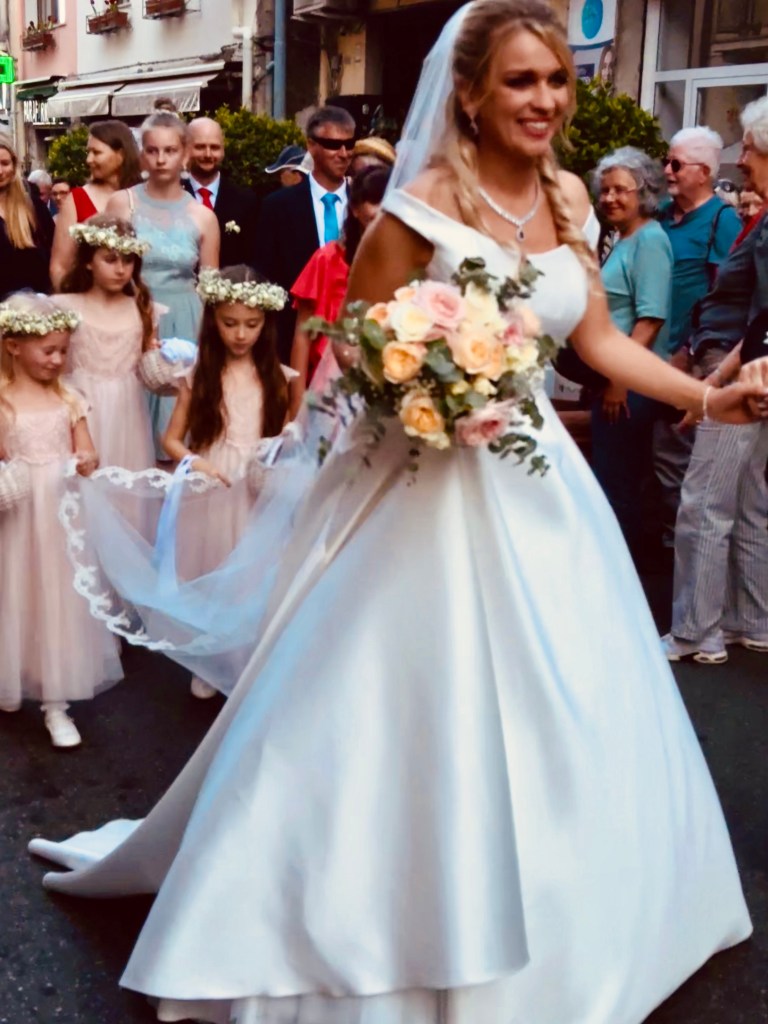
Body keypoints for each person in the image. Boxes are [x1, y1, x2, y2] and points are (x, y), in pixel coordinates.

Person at [29, 3, 768, 1022]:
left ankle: (591, 919)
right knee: (403, 698)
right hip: (429, 483)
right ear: (470, 92)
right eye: (521, 80)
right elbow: (354, 346)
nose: (545, 100)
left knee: (575, 690)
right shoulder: (419, 209)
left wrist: (708, 399)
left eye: (556, 79)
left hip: (540, 485)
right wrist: (431, 390)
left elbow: (596, 341)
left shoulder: (568, 197)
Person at [662, 96, 768, 664]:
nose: (740, 160)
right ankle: (751, 620)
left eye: (748, 149)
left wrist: (719, 386)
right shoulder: (762, 218)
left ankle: (694, 631)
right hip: (748, 369)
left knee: (704, 500)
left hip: (746, 372)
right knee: (748, 499)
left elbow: (761, 320)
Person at [0, 292, 122, 748]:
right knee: (14, 595)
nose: (57, 360)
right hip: (15, 517)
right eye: (48, 350)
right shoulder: (3, 402)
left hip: (57, 519)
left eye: (63, 351)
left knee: (54, 602)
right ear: (13, 346)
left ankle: (56, 704)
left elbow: (88, 453)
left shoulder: (69, 399)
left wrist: (86, 458)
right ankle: (10, 677)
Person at [163, 265, 291, 699]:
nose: (240, 334)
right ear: (212, 320)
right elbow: (171, 439)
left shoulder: (278, 377)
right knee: (215, 567)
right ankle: (210, 658)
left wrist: (277, 463)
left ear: (266, 323)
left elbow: (283, 438)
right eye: (229, 323)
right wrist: (194, 462)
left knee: (254, 572)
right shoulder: (199, 374)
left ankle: (244, 660)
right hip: (214, 483)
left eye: (252, 325)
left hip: (256, 484)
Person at [107, 111, 220, 457]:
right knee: (130, 423)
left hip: (186, 322)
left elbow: (211, 287)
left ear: (184, 154)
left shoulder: (203, 216)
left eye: (170, 151)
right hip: (133, 316)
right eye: (152, 150)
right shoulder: (122, 203)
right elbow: (104, 267)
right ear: (142, 154)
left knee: (178, 427)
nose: (160, 159)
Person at [653, 126, 742, 548]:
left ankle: (680, 550)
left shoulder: (722, 221)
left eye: (676, 164)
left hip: (686, 360)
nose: (667, 171)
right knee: (653, 457)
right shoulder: (659, 217)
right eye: (665, 161)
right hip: (647, 356)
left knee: (677, 456)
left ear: (704, 172)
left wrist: (688, 348)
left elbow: (722, 294)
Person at [589, 147, 672, 555]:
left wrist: (618, 380)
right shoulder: (624, 239)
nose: (610, 198)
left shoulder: (650, 240)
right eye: (605, 190)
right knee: (610, 478)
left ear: (645, 192)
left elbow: (650, 319)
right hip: (614, 377)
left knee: (617, 484)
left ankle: (624, 570)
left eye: (621, 190)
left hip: (630, 384)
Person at [253, 105, 356, 362]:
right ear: (311, 145)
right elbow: (264, 279)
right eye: (333, 145)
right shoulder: (277, 206)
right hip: (291, 342)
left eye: (349, 144)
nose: (343, 153)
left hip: (355, 340)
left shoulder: (365, 203)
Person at [55, 215, 156, 471]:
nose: (121, 269)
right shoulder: (65, 307)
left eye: (128, 260)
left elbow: (149, 367)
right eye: (110, 260)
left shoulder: (143, 309)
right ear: (88, 261)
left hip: (127, 414)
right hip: (81, 409)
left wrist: (166, 363)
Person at [289, 164, 390, 416]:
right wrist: (297, 405)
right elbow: (302, 335)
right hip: (328, 385)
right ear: (355, 209)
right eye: (373, 204)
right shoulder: (327, 259)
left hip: (386, 385)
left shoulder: (401, 263)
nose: (380, 212)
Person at [50, 121, 141, 290]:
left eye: (96, 152)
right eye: (88, 152)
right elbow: (60, 266)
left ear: (121, 154)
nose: (88, 159)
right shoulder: (77, 199)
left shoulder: (142, 195)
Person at [184, 117, 260, 270]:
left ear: (223, 150)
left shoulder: (246, 201)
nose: (208, 154)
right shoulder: (172, 197)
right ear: (186, 149)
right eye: (200, 147)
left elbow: (254, 259)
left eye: (215, 147)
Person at [0, 134, 54, 299]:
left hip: (35, 305)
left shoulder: (34, 207)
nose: (0, 171)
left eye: (5, 163)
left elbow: (54, 253)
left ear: (14, 165)